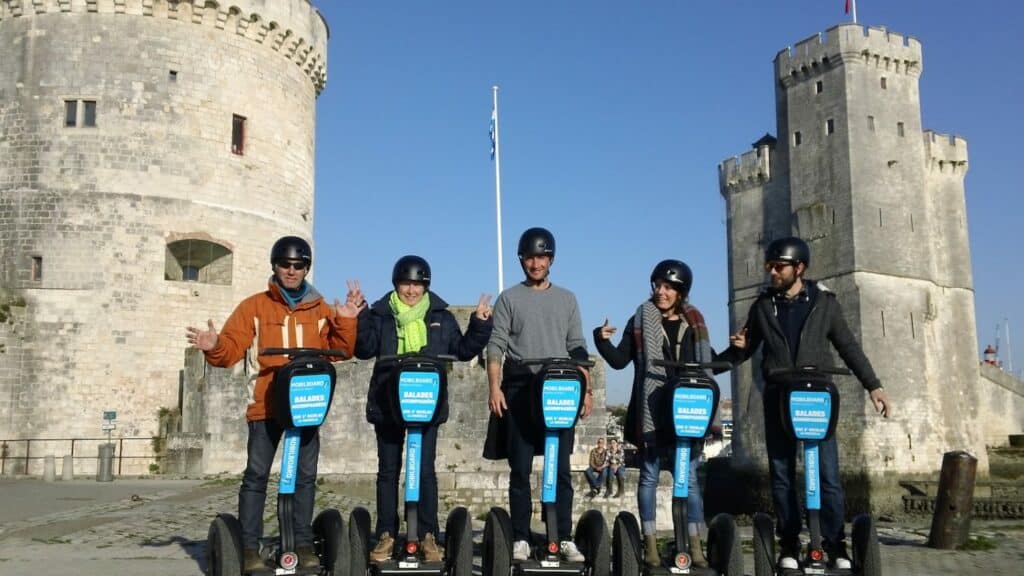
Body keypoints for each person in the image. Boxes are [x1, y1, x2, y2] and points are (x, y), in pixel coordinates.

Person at [186, 236, 363, 574]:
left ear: (306, 268)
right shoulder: (254, 307)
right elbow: (231, 350)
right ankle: (250, 548)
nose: (292, 271)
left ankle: (302, 544)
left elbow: (340, 351)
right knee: (256, 475)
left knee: (305, 477)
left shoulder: (322, 309)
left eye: (298, 265)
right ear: (275, 266)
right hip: (266, 405)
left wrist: (346, 320)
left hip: (306, 405)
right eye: (285, 264)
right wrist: (213, 346)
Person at [720, 236, 893, 571]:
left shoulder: (824, 303)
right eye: (769, 265)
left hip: (817, 396)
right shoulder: (762, 306)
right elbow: (745, 350)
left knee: (827, 475)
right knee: (782, 475)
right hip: (778, 396)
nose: (771, 271)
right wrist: (712, 366)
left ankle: (835, 545)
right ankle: (788, 542)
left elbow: (848, 346)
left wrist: (875, 386)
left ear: (799, 268)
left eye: (778, 266)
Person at [355, 255, 493, 563]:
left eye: (417, 284)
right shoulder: (381, 314)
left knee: (425, 471)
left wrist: (480, 325)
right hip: (388, 401)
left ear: (425, 286)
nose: (411, 290)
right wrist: (361, 316)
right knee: (388, 471)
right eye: (406, 283)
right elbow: (363, 350)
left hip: (425, 401)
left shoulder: (440, 317)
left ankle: (428, 534)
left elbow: (461, 350)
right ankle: (387, 534)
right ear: (396, 284)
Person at [593, 259, 716, 568]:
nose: (661, 292)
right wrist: (600, 339)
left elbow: (711, 363)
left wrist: (740, 349)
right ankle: (649, 543)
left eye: (668, 287)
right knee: (648, 476)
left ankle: (696, 544)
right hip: (651, 411)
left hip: (686, 410)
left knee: (688, 481)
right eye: (658, 286)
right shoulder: (640, 319)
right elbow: (620, 360)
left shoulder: (695, 322)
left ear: (680, 291)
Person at [483, 227, 592, 563]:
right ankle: (520, 536)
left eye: (541, 257)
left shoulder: (567, 299)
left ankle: (562, 536)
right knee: (520, 468)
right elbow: (497, 344)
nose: (536, 263)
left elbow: (577, 347)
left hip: (558, 389)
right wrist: (494, 387)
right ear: (522, 260)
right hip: (518, 390)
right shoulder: (509, 298)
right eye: (530, 257)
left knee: (559, 471)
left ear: (551, 260)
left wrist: (586, 390)